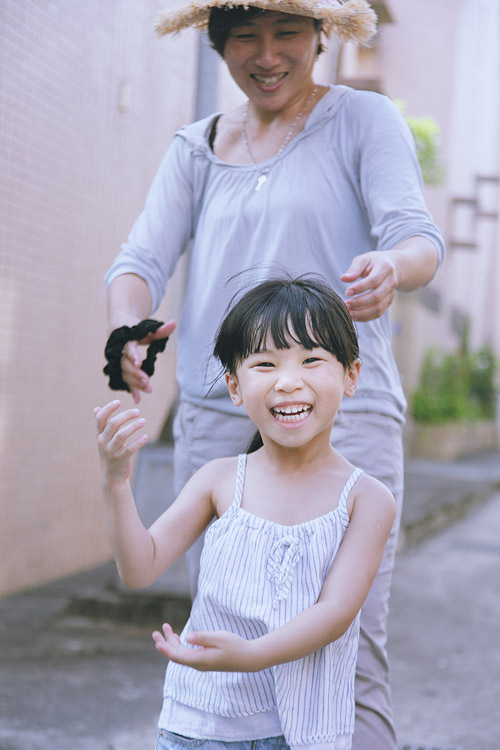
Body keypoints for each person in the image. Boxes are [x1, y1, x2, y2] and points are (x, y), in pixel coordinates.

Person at [103, 2, 446, 747]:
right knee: (228, 633)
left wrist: (393, 267)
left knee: (347, 651)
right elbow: (139, 264)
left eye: (287, 32)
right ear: (218, 43)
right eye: (244, 37)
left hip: (345, 415)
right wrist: (129, 327)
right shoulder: (197, 147)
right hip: (217, 412)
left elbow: (416, 238)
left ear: (321, 36)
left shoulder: (362, 120)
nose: (267, 55)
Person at [95, 276, 396, 750]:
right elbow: (139, 567)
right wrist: (115, 481)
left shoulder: (367, 499)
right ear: (235, 386)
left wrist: (253, 655)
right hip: (200, 725)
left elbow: (336, 611)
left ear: (350, 375)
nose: (288, 380)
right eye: (265, 364)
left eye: (312, 360)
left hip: (300, 730)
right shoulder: (218, 479)